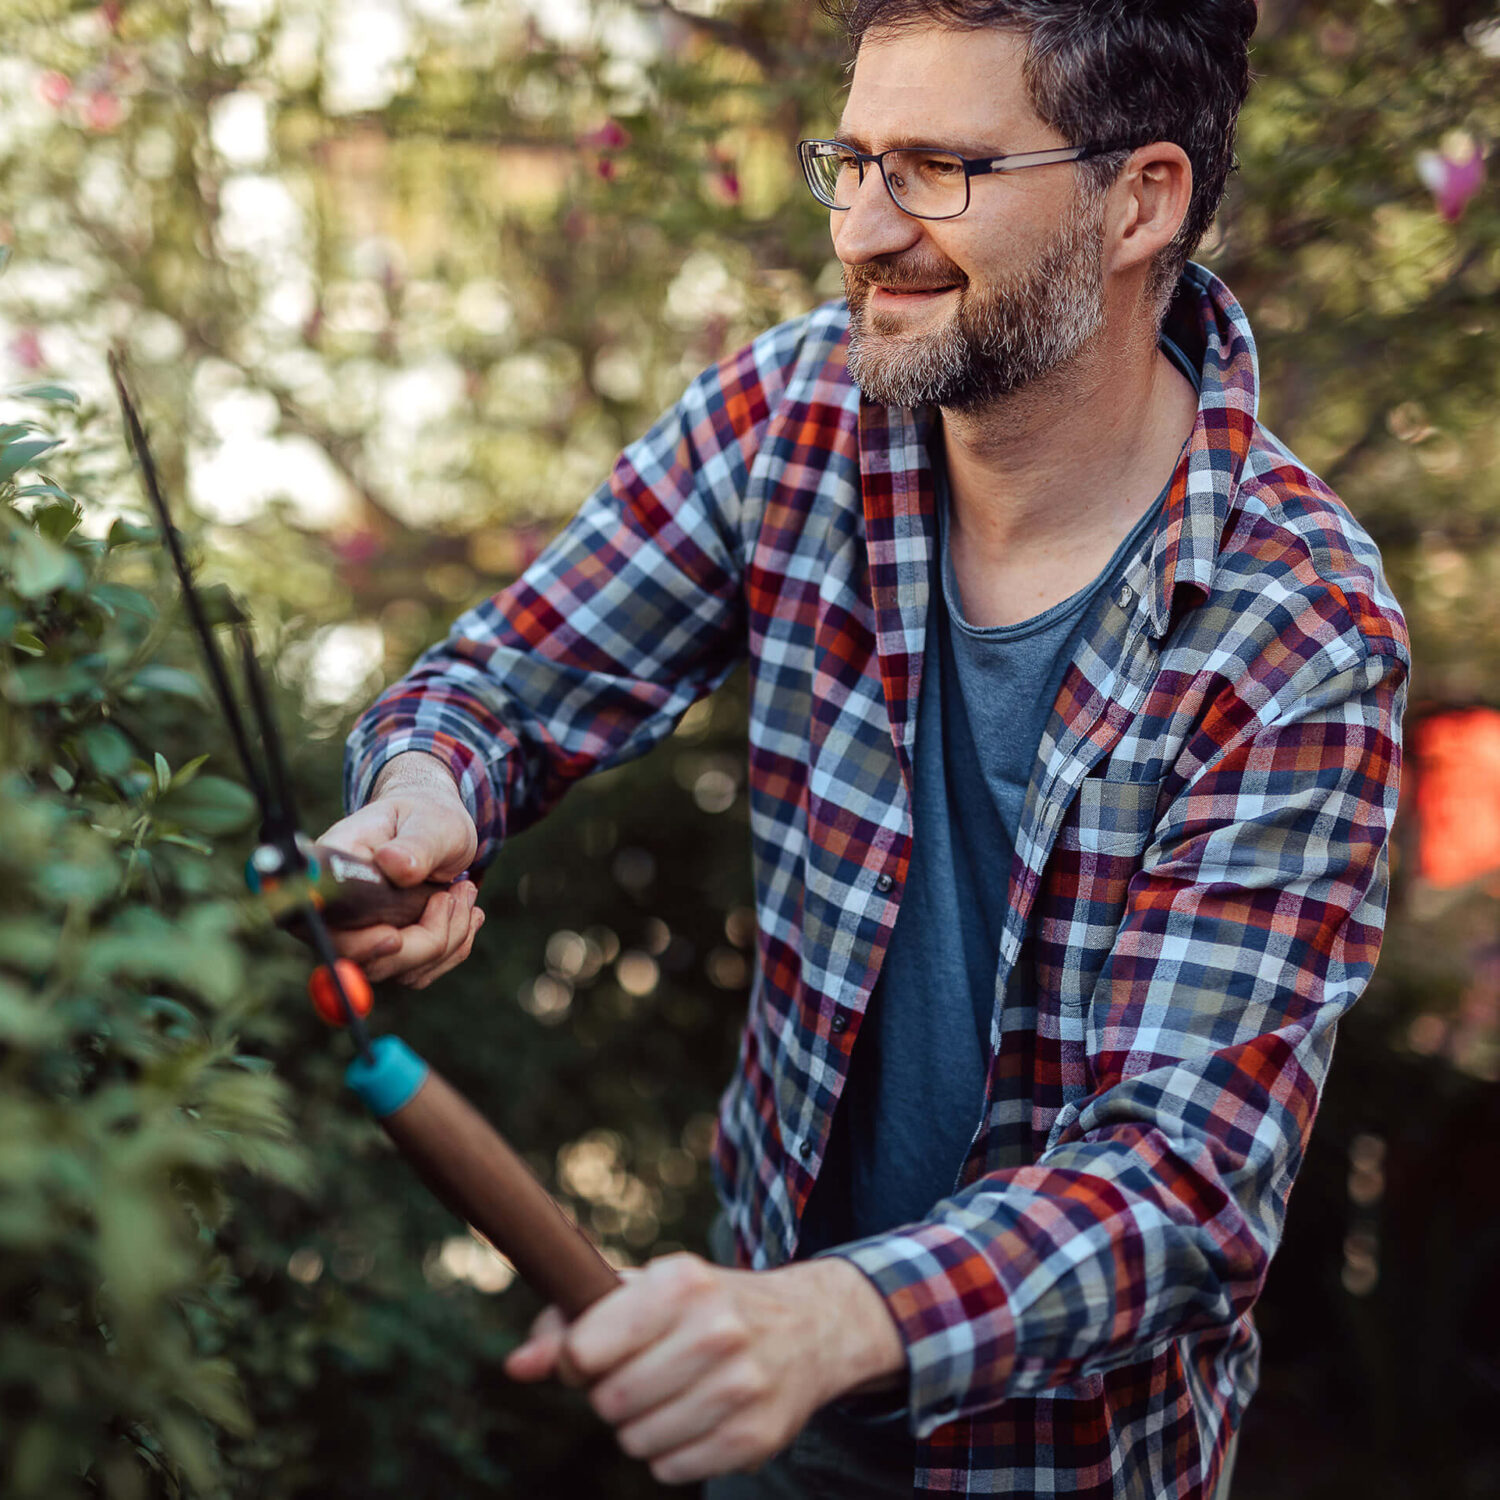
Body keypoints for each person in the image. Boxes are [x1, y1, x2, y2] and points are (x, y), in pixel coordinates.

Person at [321, 2, 1408, 1495]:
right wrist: (417, 800)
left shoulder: (1298, 631)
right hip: (758, 1403)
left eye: (941, 170)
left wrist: (828, 1319)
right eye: (851, 160)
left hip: (1062, 1460)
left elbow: (1183, 1182)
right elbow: (501, 688)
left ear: (1141, 200)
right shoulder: (792, 415)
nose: (864, 229)